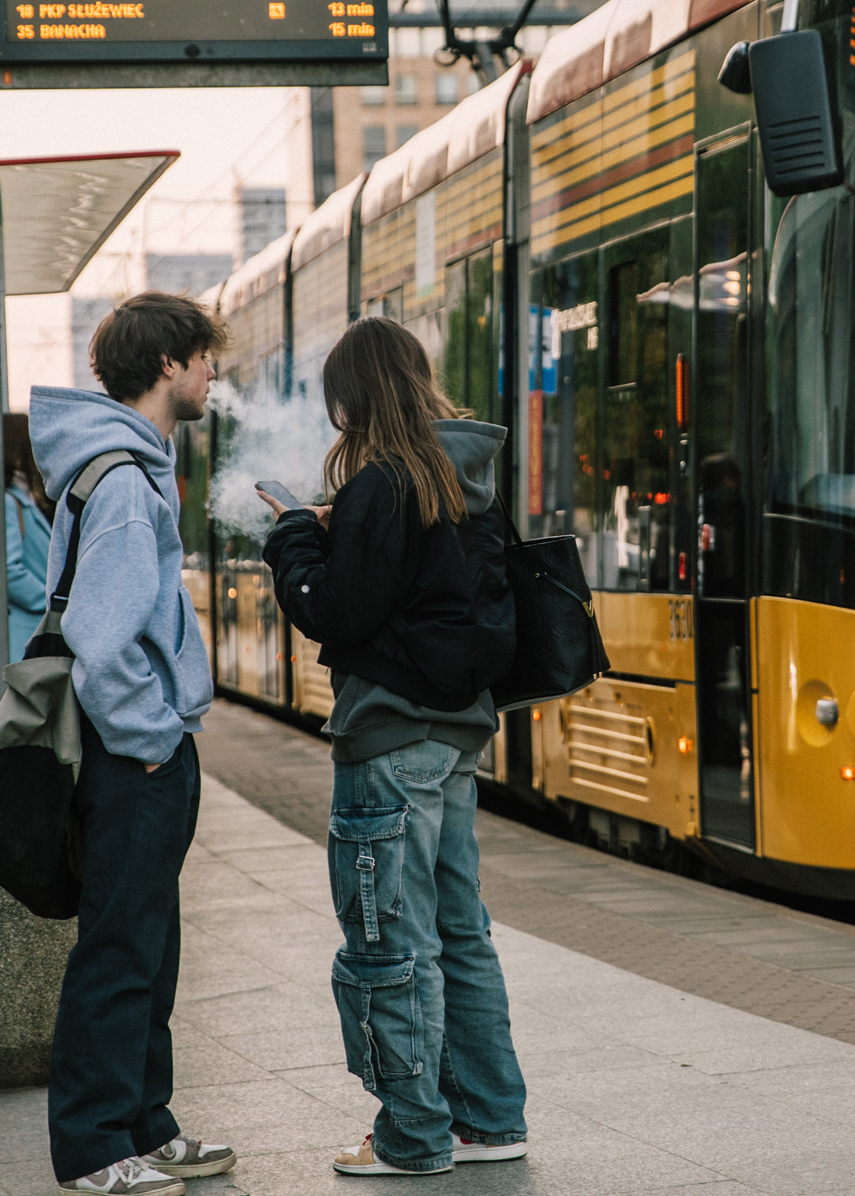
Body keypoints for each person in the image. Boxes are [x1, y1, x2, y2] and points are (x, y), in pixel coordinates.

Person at [262, 317, 529, 1178]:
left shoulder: (384, 483)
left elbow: (338, 610)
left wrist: (298, 537)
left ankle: (414, 1137)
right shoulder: (464, 480)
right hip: (456, 738)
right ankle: (491, 1121)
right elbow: (425, 593)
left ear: (355, 397)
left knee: (386, 938)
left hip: (389, 736)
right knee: (459, 931)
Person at [29, 292, 236, 1196]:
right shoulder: (122, 479)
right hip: (133, 754)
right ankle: (92, 1146)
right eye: (204, 359)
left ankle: (146, 1125)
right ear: (167, 365)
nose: (211, 375)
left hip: (141, 747)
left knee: (149, 944)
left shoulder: (129, 466)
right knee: (118, 950)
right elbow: (102, 642)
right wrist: (154, 739)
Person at [2, 411, 57, 664]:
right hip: (24, 630)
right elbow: (9, 570)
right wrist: (50, 604)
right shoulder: (8, 502)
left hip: (31, 630)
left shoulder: (23, 497)